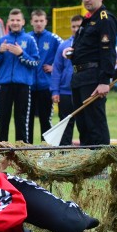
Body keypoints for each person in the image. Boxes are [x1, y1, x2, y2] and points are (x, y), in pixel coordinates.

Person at [63, 0, 117, 146]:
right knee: (84, 126)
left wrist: (104, 81)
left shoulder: (105, 19)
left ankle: (101, 167)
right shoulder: (87, 20)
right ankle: (88, 167)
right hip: (79, 77)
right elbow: (86, 49)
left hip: (93, 79)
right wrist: (72, 53)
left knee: (96, 125)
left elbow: (107, 51)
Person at [0, 8, 40, 143]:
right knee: (3, 119)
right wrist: (0, 52)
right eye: (12, 20)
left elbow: (35, 62)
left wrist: (21, 54)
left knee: (21, 119)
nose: (15, 23)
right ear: (8, 22)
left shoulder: (29, 40)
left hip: (23, 85)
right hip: (4, 85)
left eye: (18, 20)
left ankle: (21, 152)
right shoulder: (2, 40)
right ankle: (2, 150)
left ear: (23, 22)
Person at [27, 10, 63, 143]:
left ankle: (46, 148)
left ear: (46, 22)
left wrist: (54, 67)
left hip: (46, 86)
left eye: (41, 21)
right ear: (31, 22)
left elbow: (67, 53)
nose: (38, 24)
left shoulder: (54, 39)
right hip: (28, 86)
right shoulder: (26, 38)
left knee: (45, 119)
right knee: (27, 119)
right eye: (36, 21)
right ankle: (27, 148)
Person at [51, 14, 82, 146]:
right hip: (65, 92)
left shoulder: (89, 45)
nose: (76, 29)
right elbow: (57, 69)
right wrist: (55, 91)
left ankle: (86, 149)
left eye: (78, 26)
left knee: (84, 122)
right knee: (65, 123)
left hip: (83, 90)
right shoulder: (63, 45)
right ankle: (64, 150)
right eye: (73, 26)